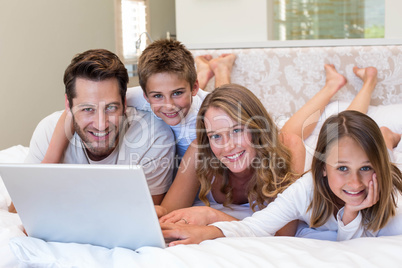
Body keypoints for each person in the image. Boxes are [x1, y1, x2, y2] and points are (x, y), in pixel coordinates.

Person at [156, 65, 379, 224]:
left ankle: (367, 85)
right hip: (263, 143)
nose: (227, 146)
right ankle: (332, 84)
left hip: (284, 148)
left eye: (237, 130)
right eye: (215, 136)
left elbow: (285, 232)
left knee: (341, 133)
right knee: (287, 131)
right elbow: (167, 212)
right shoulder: (202, 151)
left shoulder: (289, 149)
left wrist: (213, 216)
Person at [162, 110, 402, 246]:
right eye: (342, 168)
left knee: (386, 158)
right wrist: (207, 231)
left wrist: (351, 213)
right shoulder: (304, 190)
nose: (355, 183)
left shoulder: (394, 199)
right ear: (322, 168)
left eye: (366, 168)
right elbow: (255, 226)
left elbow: (357, 244)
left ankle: (386, 142)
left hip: (389, 169)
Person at [23, 49, 175, 205]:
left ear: (124, 103)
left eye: (111, 107)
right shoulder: (48, 131)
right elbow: (19, 209)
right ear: (68, 105)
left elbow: (146, 219)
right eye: (88, 109)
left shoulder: (153, 138)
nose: (101, 125)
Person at [125, 39, 236, 158]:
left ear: (195, 87)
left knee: (222, 101)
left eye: (177, 93)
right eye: (158, 96)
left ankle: (221, 68)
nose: (169, 105)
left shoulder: (206, 111)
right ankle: (202, 73)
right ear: (146, 96)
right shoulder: (140, 94)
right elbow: (109, 99)